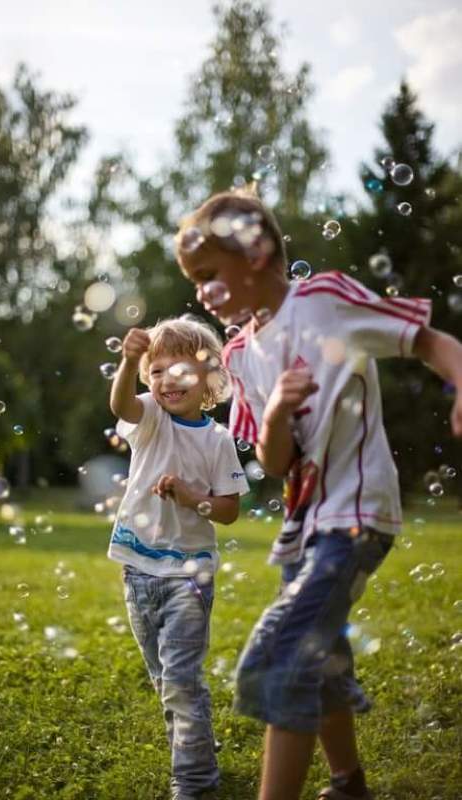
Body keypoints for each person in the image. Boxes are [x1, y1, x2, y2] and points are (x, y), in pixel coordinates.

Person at [174, 188, 462, 800]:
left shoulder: (323, 301)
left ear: (255, 254)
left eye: (208, 275)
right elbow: (273, 462)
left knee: (285, 653)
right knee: (320, 652)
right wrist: (277, 412)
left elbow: (428, 341)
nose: (201, 293)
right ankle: (348, 784)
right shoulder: (239, 355)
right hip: (303, 527)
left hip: (356, 513)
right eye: (194, 281)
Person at [108, 317, 250, 800]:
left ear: (210, 378)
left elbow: (228, 511)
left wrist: (192, 498)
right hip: (138, 569)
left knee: (181, 680)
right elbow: (120, 404)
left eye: (181, 370)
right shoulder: (149, 417)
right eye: (157, 370)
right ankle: (197, 745)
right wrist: (129, 360)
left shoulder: (218, 440)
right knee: (165, 677)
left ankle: (193, 780)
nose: (167, 380)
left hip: (190, 575)